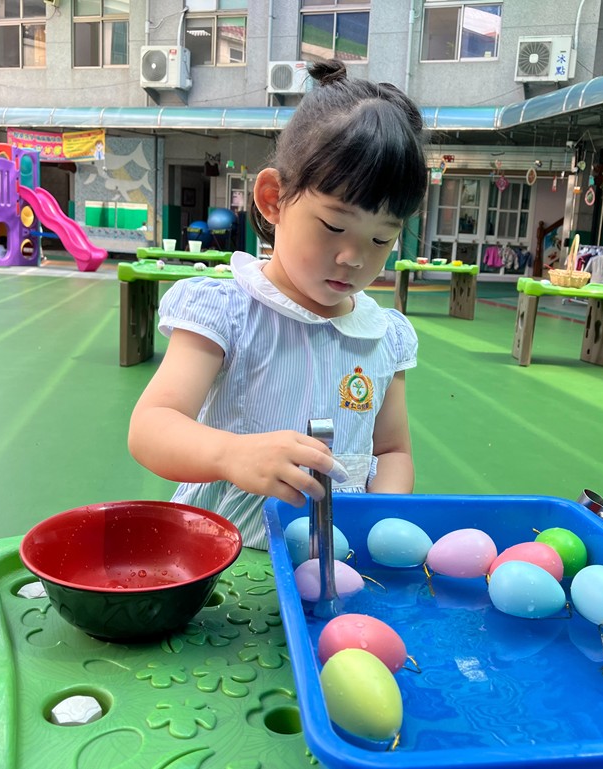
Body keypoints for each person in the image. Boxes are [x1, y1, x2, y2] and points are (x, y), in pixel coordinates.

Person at [128, 60, 428, 549]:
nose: (353, 258)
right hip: (224, 556)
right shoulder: (227, 311)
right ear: (273, 199)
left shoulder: (384, 338)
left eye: (381, 238)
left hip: (333, 559)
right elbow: (151, 427)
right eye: (334, 226)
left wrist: (382, 517)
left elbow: (393, 450)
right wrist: (230, 454)